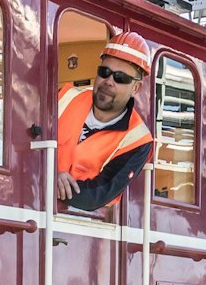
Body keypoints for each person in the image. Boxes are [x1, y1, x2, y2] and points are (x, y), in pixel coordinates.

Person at [54, 31, 155, 212]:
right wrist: (51, 176)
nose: (109, 81)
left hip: (79, 227)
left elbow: (98, 194)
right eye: (105, 72)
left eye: (120, 78)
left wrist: (54, 184)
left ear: (136, 88)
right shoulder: (65, 97)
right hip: (32, 205)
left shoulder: (138, 140)